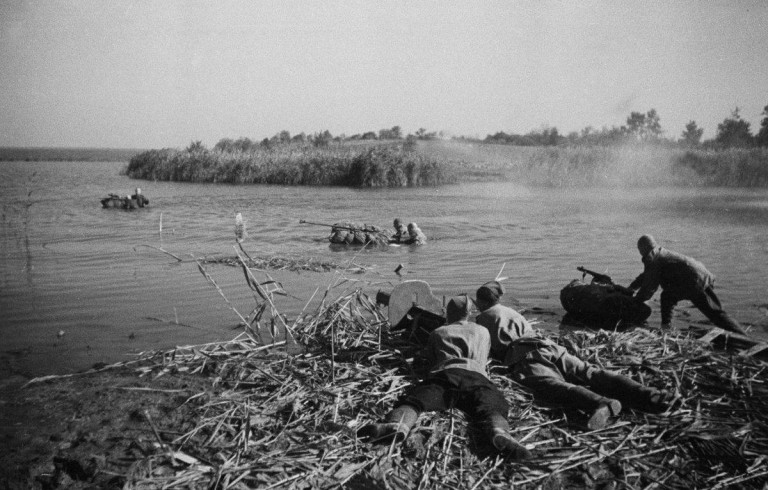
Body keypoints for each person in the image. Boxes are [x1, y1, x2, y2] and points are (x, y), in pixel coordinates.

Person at [474, 281, 670, 430]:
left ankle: (602, 403)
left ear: (483, 301)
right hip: (548, 345)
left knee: (552, 384)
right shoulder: (511, 311)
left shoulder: (482, 318)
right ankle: (649, 393)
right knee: (590, 372)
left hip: (524, 354)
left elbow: (486, 347)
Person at [357, 296, 532, 460]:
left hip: (445, 375)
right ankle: (499, 432)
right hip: (475, 377)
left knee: (415, 401)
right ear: (469, 313)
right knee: (492, 405)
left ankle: (397, 425)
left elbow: (430, 360)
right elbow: (484, 356)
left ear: (449, 313)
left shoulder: (438, 332)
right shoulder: (483, 331)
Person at [628, 235, 747, 335]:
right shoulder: (658, 253)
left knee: (714, 313)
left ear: (643, 248)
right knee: (669, 297)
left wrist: (634, 301)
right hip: (699, 277)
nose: (640, 252)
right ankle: (666, 327)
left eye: (640, 250)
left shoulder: (653, 258)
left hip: (696, 281)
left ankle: (742, 336)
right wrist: (630, 289)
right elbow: (646, 276)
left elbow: (649, 288)